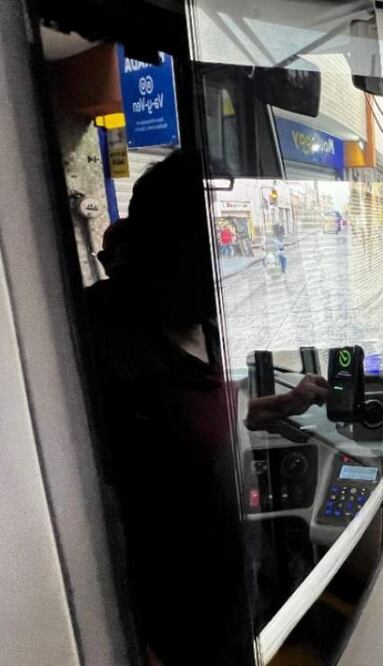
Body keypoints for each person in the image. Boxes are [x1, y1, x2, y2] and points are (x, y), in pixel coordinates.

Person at [86, 150, 327, 665]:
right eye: (205, 244)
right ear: (161, 246)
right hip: (172, 628)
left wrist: (286, 402)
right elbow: (91, 509)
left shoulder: (205, 328)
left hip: (231, 601)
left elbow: (205, 419)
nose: (223, 266)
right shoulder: (102, 340)